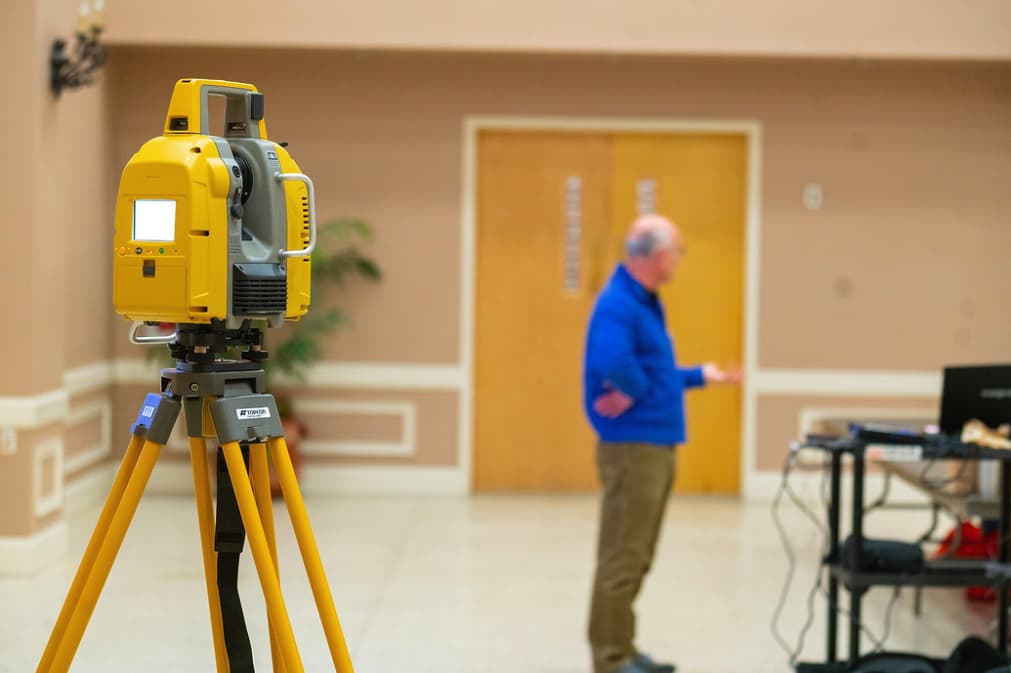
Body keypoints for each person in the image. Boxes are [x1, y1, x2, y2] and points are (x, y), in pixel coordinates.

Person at [583, 214, 741, 673]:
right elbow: (614, 360)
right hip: (635, 448)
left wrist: (698, 376)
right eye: (677, 251)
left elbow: (650, 372)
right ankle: (611, 659)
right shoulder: (619, 303)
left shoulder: (645, 302)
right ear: (656, 255)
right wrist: (630, 389)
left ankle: (623, 648)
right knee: (622, 557)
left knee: (636, 555)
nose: (678, 260)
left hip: (651, 442)